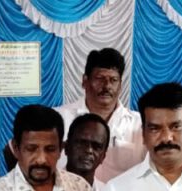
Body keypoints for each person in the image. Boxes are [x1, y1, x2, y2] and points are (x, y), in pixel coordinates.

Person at [55, 48, 144, 182]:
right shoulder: (59, 118)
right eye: (100, 78)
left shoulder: (139, 124)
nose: (107, 86)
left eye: (113, 80)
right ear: (85, 81)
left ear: (120, 85)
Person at [64, 113, 110, 191]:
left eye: (96, 146)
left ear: (103, 156)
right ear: (66, 147)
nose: (89, 150)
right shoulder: (45, 190)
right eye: (81, 143)